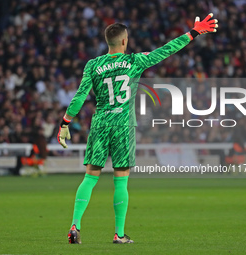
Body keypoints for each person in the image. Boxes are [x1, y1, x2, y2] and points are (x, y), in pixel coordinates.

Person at [57, 14, 218, 244]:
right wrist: (193, 32)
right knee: (121, 179)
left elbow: (79, 97)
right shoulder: (135, 61)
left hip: (101, 123)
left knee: (90, 177)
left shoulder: (93, 65)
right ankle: (119, 234)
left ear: (108, 42)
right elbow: (165, 50)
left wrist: (65, 122)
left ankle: (75, 226)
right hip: (123, 125)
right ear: (124, 41)